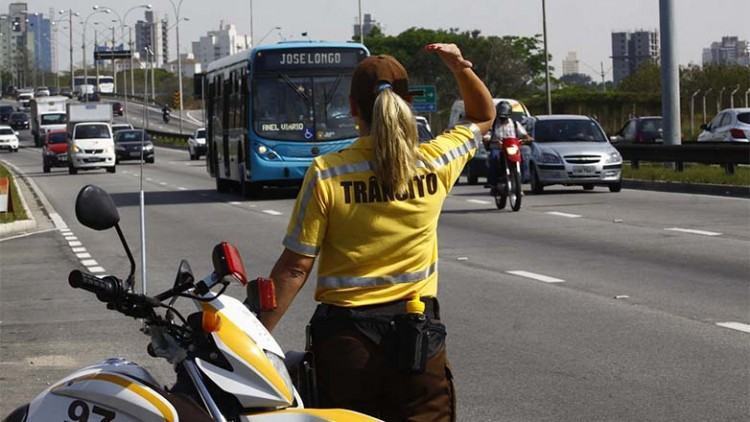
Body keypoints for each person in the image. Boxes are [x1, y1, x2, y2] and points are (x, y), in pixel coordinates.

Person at [258, 44, 493, 420]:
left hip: (347, 345)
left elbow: (294, 269)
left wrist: (254, 334)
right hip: (418, 339)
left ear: (353, 108)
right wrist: (460, 68)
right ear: (407, 104)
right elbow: (482, 115)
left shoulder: (328, 172)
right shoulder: (435, 161)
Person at [485, 101, 532, 191]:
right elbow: (487, 135)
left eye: (505, 117)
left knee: (526, 151)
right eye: (501, 117)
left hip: (512, 148)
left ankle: (524, 177)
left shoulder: (515, 124)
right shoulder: (493, 124)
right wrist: (488, 139)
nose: (503, 119)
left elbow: (525, 135)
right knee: (493, 157)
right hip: (498, 148)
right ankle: (493, 182)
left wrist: (527, 139)